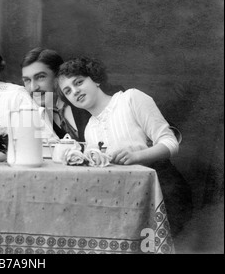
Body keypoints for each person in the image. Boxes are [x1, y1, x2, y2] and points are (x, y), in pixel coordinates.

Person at [56, 56, 193, 240]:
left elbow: (170, 143)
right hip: (125, 199)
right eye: (68, 91)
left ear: (95, 79)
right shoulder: (89, 129)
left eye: (79, 82)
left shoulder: (130, 99)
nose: (75, 91)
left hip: (163, 190)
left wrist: (136, 156)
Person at [21, 47, 125, 142]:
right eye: (27, 80)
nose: (33, 87)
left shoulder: (93, 96)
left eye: (40, 77)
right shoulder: (35, 114)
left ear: (57, 76)